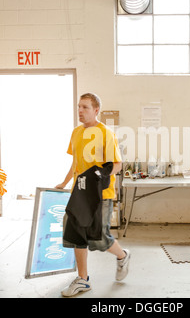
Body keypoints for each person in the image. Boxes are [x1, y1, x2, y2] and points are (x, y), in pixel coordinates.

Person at [56, 93, 130, 297]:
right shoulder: (76, 133)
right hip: (79, 193)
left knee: (98, 238)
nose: (80, 110)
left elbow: (117, 164)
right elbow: (76, 163)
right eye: (79, 106)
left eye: (85, 107)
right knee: (75, 233)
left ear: (96, 110)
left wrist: (101, 174)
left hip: (100, 194)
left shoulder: (106, 133)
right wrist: (64, 182)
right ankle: (83, 279)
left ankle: (123, 256)